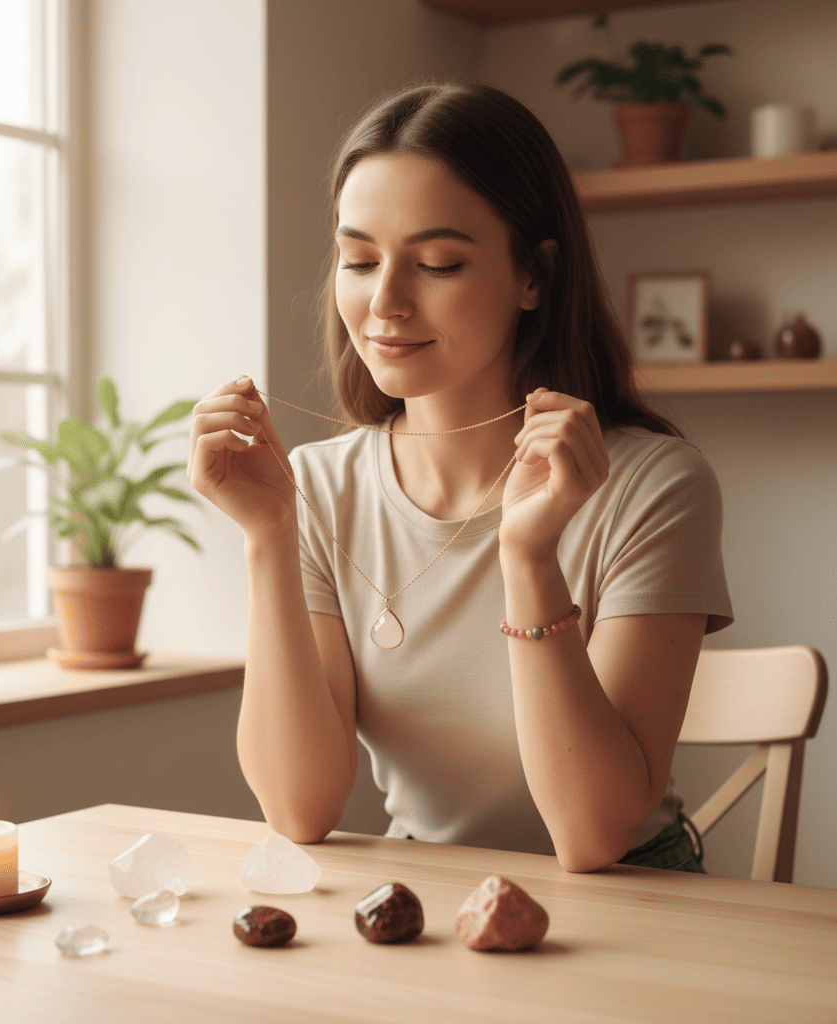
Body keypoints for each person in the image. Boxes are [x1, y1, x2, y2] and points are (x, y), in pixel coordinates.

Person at [187, 82, 733, 873]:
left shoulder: (655, 486)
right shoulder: (316, 489)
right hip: (429, 895)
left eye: (437, 264)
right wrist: (268, 536)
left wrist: (529, 558)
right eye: (359, 260)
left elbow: (592, 835)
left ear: (534, 275)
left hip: (629, 897)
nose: (385, 302)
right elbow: (300, 811)